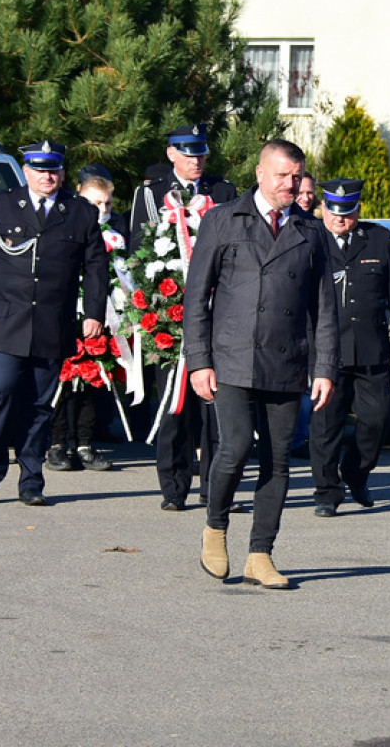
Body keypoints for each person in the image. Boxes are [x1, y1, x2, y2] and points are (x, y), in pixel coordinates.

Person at [186, 139, 339, 589]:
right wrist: (199, 361)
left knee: (277, 461)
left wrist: (325, 366)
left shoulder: (313, 233)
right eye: (281, 175)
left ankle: (261, 554)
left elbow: (324, 308)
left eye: (296, 177)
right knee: (234, 447)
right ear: (260, 173)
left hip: (286, 359)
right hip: (230, 356)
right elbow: (197, 297)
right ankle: (215, 528)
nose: (290, 184)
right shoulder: (223, 220)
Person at [0, 140, 108, 505]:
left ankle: (31, 481)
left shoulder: (79, 212)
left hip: (50, 323)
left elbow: (95, 269)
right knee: (0, 394)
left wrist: (93, 314)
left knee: (41, 405)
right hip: (7, 319)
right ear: (26, 171)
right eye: (40, 170)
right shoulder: (0, 205)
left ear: (62, 172)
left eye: (54, 169)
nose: (48, 176)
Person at [132, 125, 238, 511]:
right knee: (174, 405)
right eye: (188, 153)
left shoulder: (223, 192)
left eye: (201, 153)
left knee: (215, 407)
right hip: (169, 314)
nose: (197, 161)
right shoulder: (151, 192)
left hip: (216, 314)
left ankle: (214, 490)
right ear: (172, 153)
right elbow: (140, 250)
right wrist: (155, 304)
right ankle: (173, 488)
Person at [309, 178, 390, 517]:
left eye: (348, 212)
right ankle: (327, 491)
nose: (341, 219)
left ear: (358, 209)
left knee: (377, 418)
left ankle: (356, 473)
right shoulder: (311, 238)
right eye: (334, 211)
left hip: (371, 347)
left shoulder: (378, 239)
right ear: (323, 208)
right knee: (326, 426)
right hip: (327, 350)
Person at [46, 173, 125, 472]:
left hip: (102, 316)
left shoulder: (116, 229)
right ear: (79, 196)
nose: (102, 210)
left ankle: (85, 443)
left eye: (107, 203)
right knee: (63, 382)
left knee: (93, 381)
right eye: (95, 203)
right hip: (68, 313)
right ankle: (57, 444)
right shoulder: (67, 222)